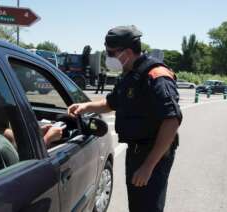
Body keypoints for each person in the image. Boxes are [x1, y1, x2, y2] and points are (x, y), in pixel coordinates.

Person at [68, 25, 182, 212]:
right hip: (136, 151)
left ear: (127, 52)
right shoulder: (130, 74)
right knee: (137, 205)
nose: (108, 56)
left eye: (110, 52)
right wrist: (85, 106)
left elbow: (172, 120)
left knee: (148, 207)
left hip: (153, 154)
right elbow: (112, 102)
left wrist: (148, 166)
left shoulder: (156, 76)